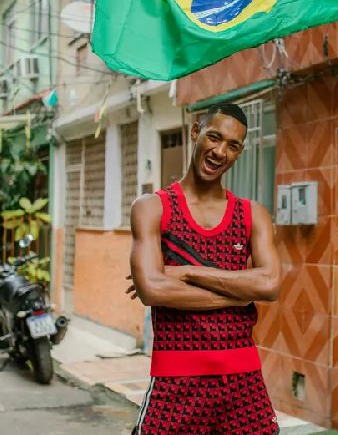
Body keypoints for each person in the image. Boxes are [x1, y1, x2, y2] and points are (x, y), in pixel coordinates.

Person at [126, 102, 282, 435]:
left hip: (244, 386)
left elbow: (269, 284)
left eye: (233, 145)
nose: (220, 151)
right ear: (196, 132)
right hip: (175, 384)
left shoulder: (253, 214)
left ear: (239, 153)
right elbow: (152, 289)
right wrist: (238, 295)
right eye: (214, 137)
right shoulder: (153, 208)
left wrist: (184, 272)